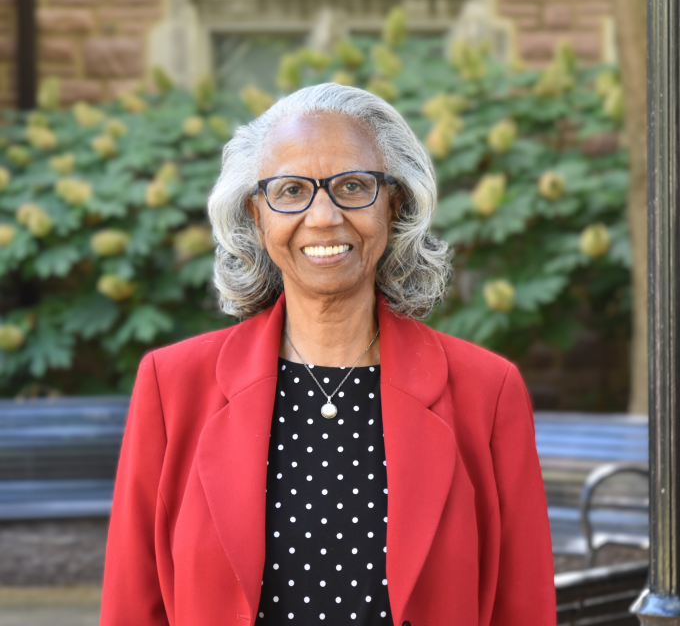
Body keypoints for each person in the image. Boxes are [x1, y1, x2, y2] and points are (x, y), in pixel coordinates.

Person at [101, 83, 555, 626]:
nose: (322, 217)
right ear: (256, 213)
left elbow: (522, 606)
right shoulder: (171, 385)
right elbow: (133, 605)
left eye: (353, 186)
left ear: (396, 203)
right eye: (291, 190)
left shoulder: (489, 391)